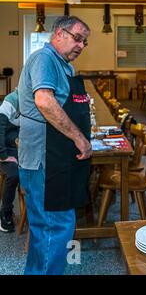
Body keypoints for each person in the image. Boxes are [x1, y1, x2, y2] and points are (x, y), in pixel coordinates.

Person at [18, 16, 92, 274]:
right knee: (55, 226)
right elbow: (45, 101)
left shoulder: (64, 66)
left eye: (85, 42)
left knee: (47, 228)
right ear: (59, 33)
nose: (82, 46)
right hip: (42, 158)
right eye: (78, 38)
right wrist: (79, 137)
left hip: (56, 156)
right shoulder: (45, 59)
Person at [0, 89, 20, 233]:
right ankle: (5, 213)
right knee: (14, 174)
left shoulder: (37, 99)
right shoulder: (10, 102)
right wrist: (3, 156)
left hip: (23, 148)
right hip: (5, 149)